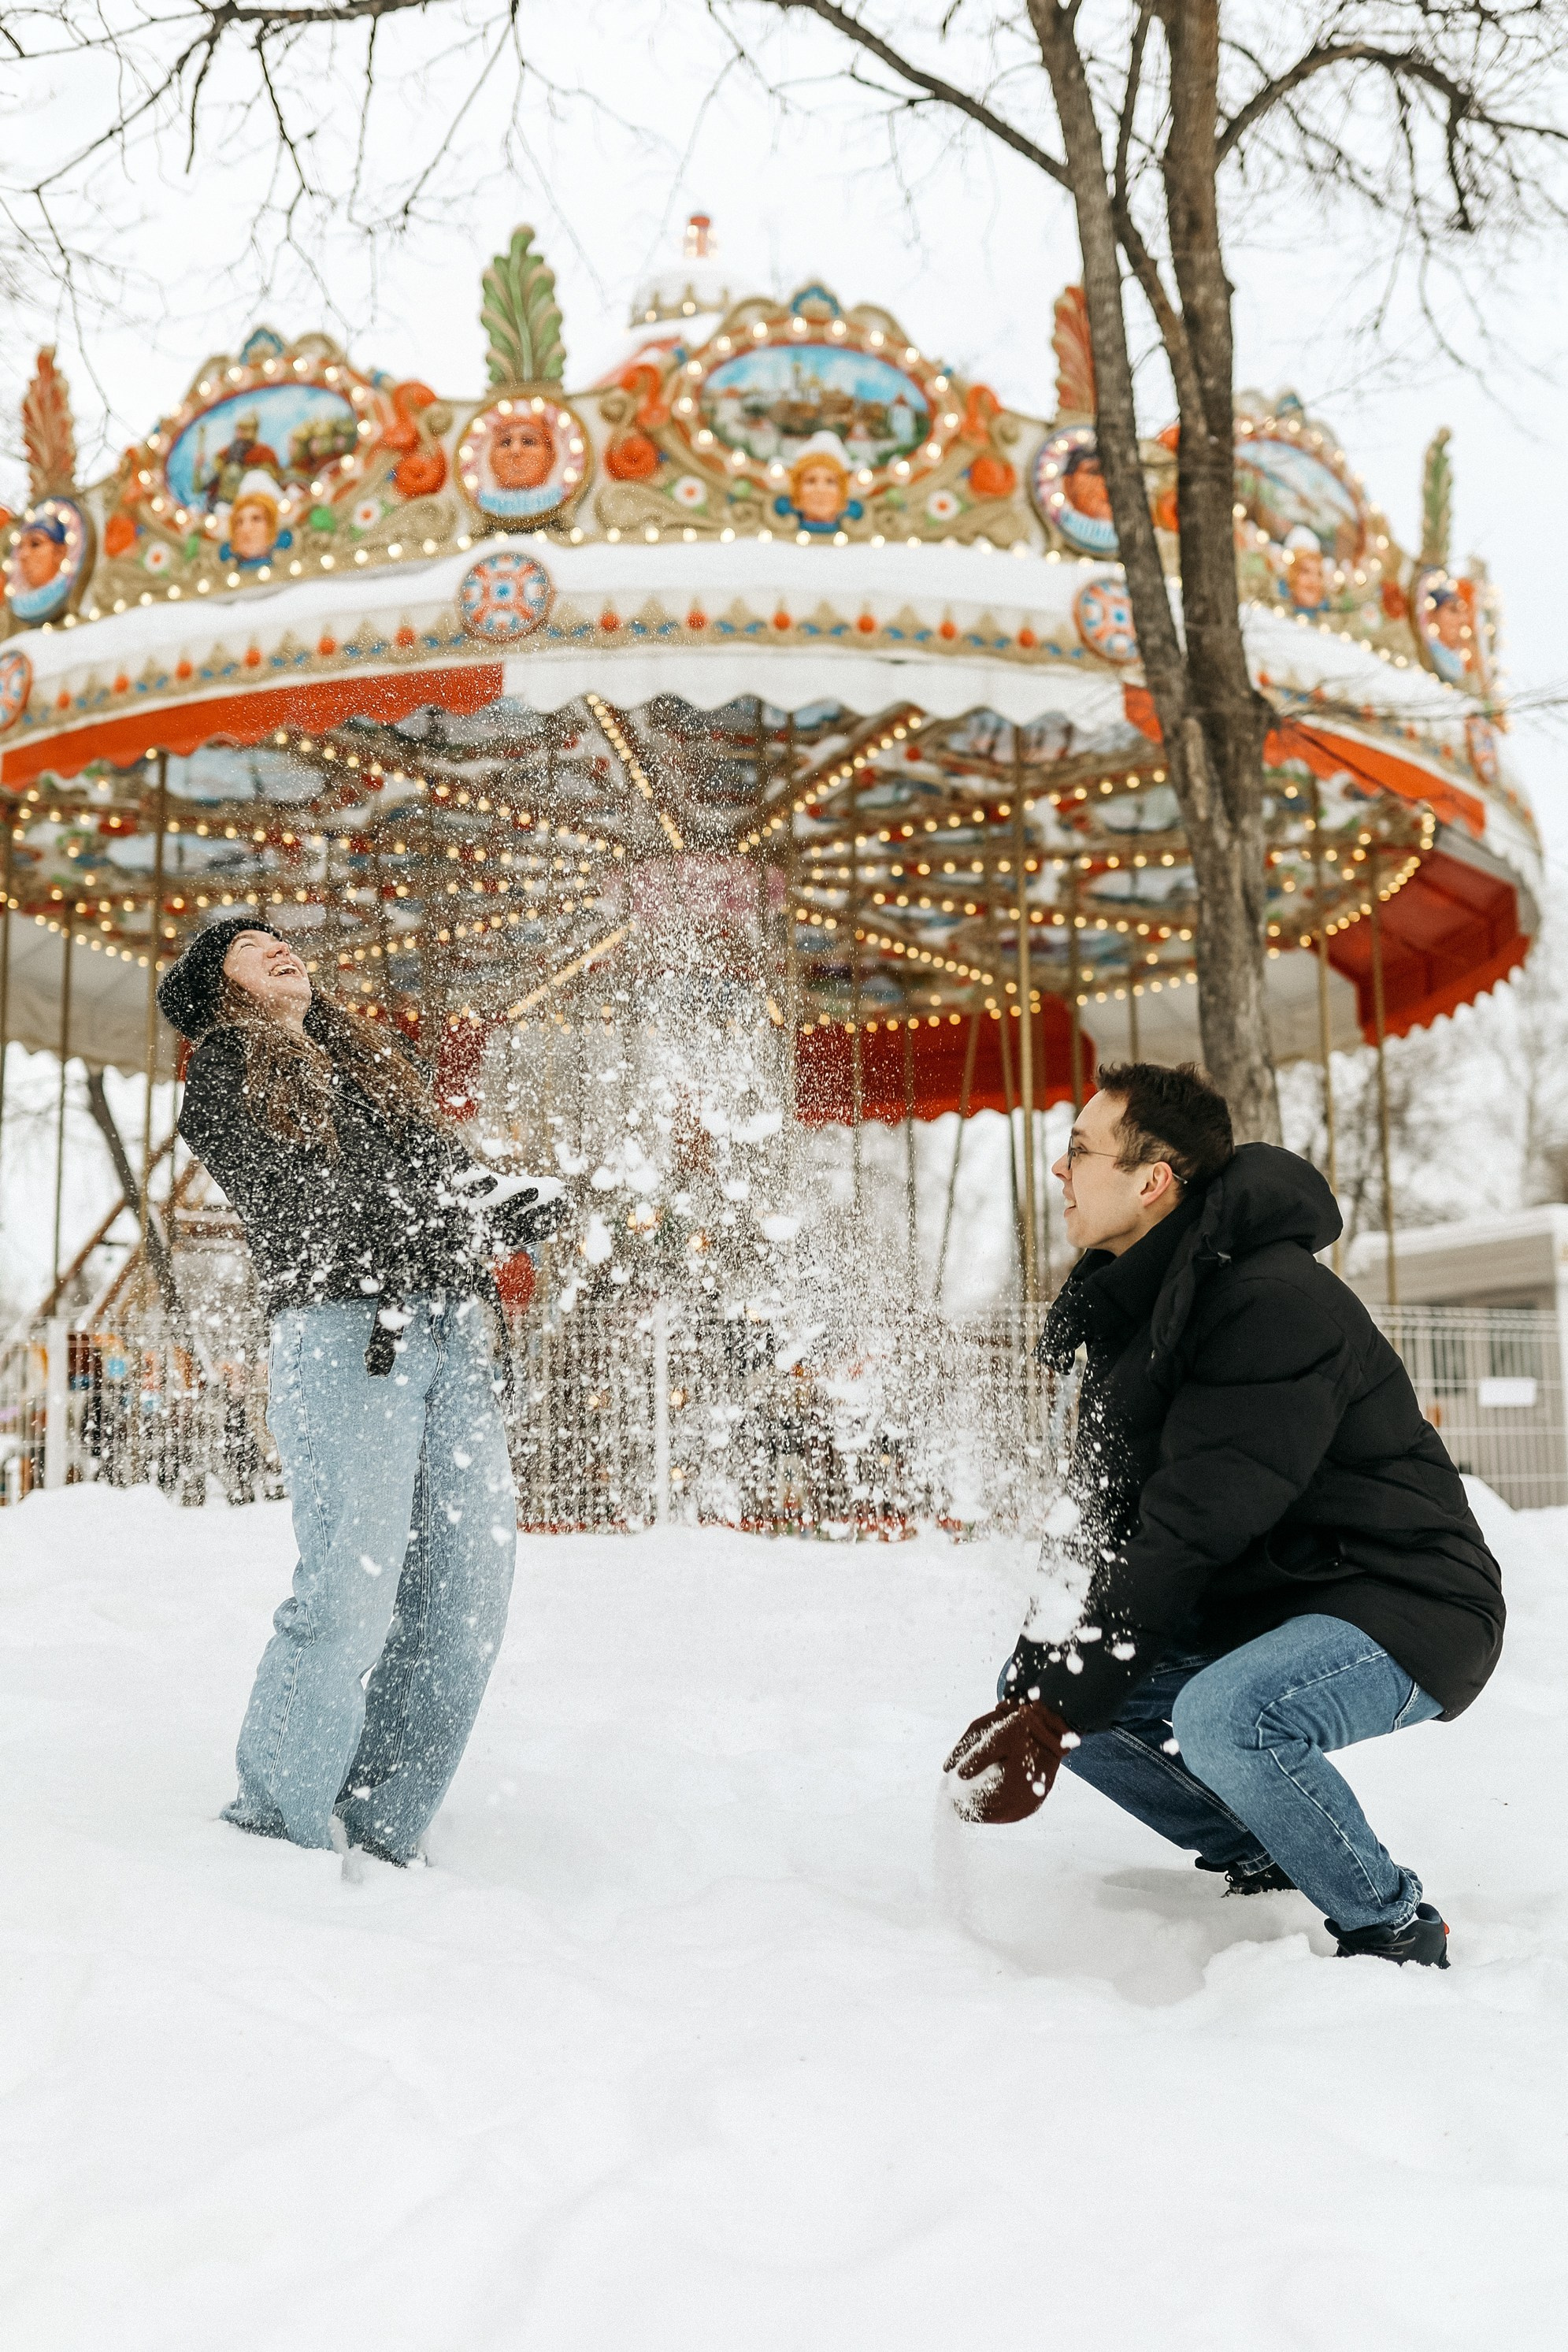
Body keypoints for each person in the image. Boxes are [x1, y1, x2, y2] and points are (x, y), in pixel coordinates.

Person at [944, 1062, 1503, 1968]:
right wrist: (1043, 1691)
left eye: (1080, 1150)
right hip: (1276, 1598)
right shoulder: (1142, 1309)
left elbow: (1192, 1523)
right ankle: (1267, 1851)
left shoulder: (1269, 1303)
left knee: (1223, 1715)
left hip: (1407, 1599)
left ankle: (1389, 1922)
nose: (1059, 1169)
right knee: (1059, 1686)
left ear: (1151, 1180)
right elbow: (1102, 1523)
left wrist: (1058, 1704)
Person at [159, 918, 565, 1865]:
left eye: (280, 939)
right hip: (350, 1337)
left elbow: (447, 1180)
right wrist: (434, 1218)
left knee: (466, 1595)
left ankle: (382, 1827)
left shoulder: (375, 1067)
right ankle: (274, 1825)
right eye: (249, 947)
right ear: (218, 984)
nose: (278, 949)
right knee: (352, 1589)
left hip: (453, 1335)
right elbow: (301, 1205)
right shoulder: (225, 1071)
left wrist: (505, 1201)